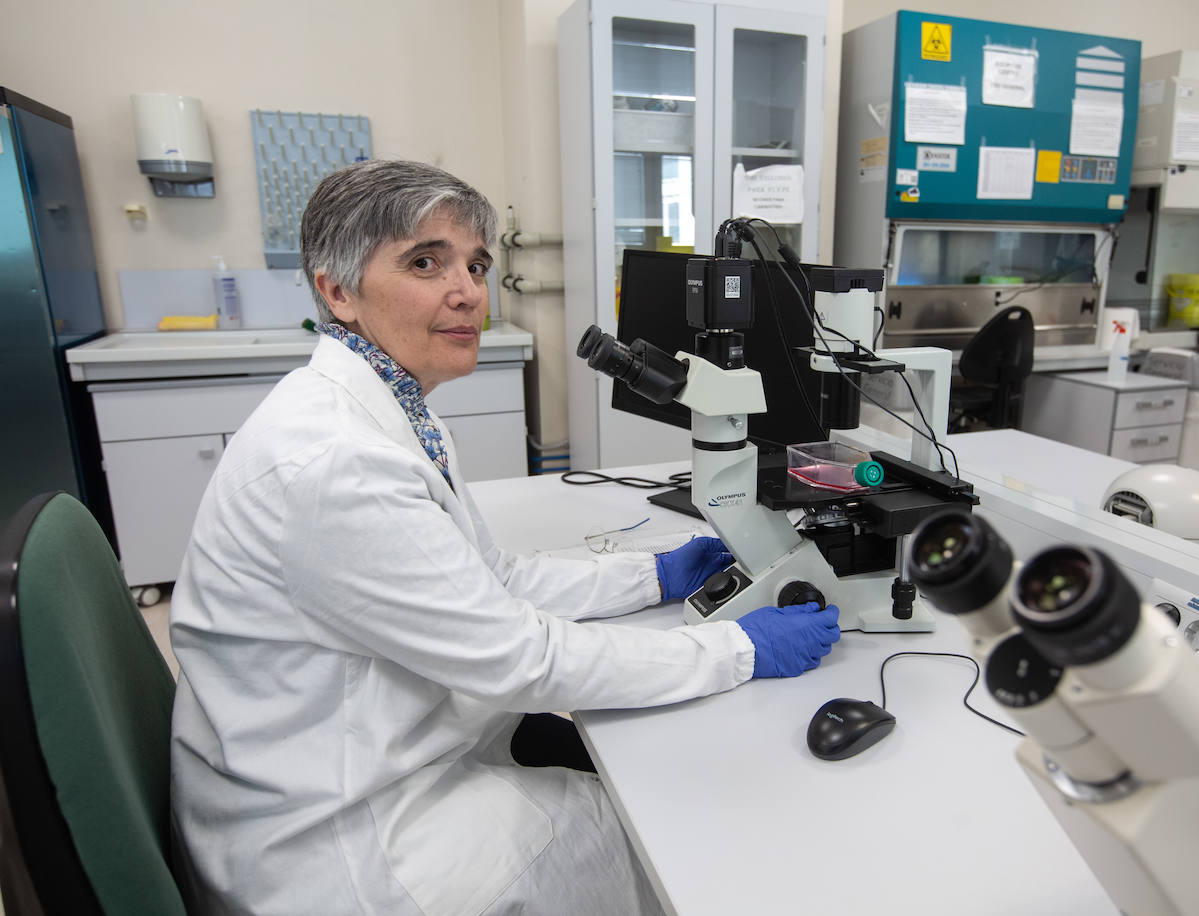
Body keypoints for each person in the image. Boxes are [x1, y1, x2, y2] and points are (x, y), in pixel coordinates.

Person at [169, 159, 842, 916]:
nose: (467, 291)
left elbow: (492, 580)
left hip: (371, 759)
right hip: (346, 843)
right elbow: (522, 659)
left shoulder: (387, 409)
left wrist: (654, 576)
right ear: (337, 290)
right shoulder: (336, 461)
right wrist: (740, 651)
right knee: (679, 834)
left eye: (476, 264)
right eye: (426, 261)